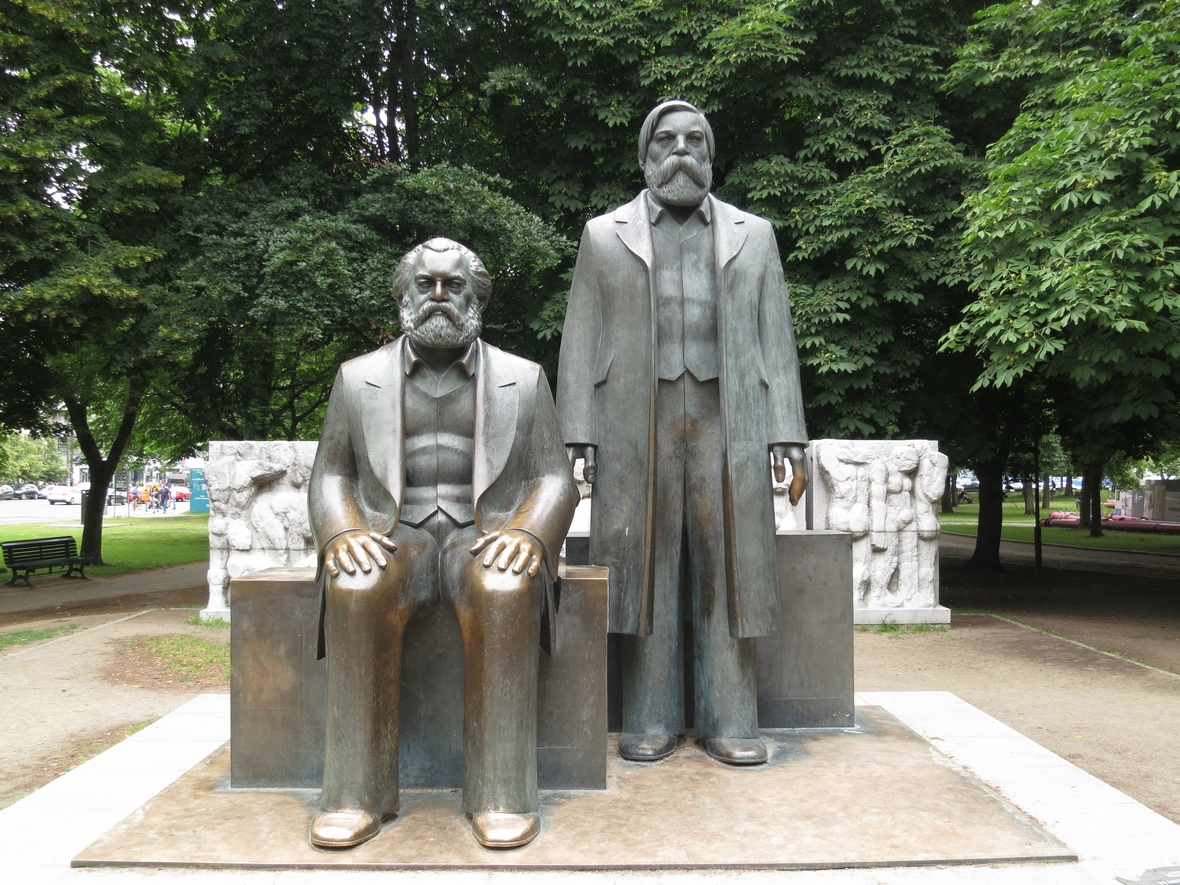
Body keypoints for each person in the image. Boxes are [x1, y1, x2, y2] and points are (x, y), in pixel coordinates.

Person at [557, 101, 808, 766]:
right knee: (648, 563)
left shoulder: (754, 234)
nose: (681, 150)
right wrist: (576, 432)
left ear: (712, 153)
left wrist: (789, 433)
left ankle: (732, 716)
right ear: (645, 155)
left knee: (730, 567)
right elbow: (582, 333)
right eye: (666, 140)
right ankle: (651, 715)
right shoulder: (603, 235)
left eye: (695, 140)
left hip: (733, 419)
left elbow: (775, 337)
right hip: (637, 420)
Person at [308, 238, 577, 850]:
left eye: (452, 285)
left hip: (483, 531)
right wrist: (343, 529)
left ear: (475, 296)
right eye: (424, 284)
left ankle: (501, 794)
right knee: (354, 584)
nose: (437, 296)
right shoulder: (356, 379)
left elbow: (554, 478)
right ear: (402, 295)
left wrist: (531, 531)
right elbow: (330, 476)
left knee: (506, 587)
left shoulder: (524, 379)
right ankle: (354, 795)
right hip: (390, 530)